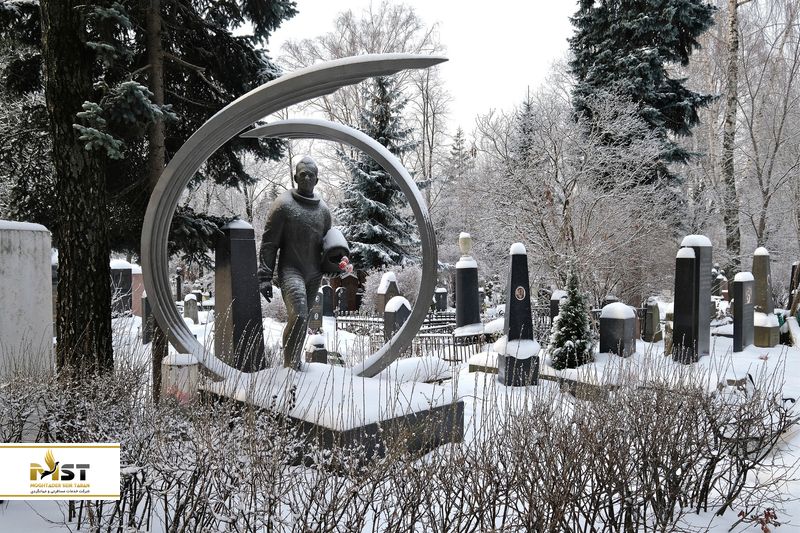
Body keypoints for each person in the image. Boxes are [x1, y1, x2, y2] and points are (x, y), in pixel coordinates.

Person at [258, 156, 344, 369]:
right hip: (291, 270)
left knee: (304, 321)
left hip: (314, 273)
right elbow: (270, 243)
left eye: (311, 175)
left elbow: (327, 245)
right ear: (295, 176)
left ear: (317, 179)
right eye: (302, 174)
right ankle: (290, 366)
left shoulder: (323, 210)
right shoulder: (283, 205)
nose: (306, 178)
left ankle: (296, 364)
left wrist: (333, 266)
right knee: (299, 315)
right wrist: (264, 276)